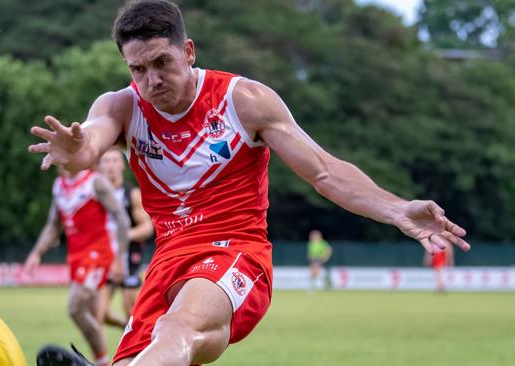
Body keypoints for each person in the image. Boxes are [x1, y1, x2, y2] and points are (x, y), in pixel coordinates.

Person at [29, 1, 471, 365]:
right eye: (138, 69)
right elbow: (90, 141)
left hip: (235, 253)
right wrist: (77, 153)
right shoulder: (121, 107)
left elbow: (323, 170)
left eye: (162, 62)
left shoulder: (244, 101)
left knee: (177, 328)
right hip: (166, 264)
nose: (152, 81)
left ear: (189, 51)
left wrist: (396, 209)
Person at [24, 167, 130, 366]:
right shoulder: (59, 187)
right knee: (94, 316)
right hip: (76, 256)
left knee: (75, 306)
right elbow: (54, 225)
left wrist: (119, 258)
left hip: (97, 254)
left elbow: (122, 218)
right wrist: (37, 253)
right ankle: (102, 362)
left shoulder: (95, 182)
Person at [99, 148, 154, 322]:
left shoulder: (132, 194)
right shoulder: (95, 195)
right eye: (106, 161)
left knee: (131, 310)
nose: (110, 166)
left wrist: (124, 235)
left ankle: (135, 340)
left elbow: (147, 228)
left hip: (129, 256)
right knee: (99, 314)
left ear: (122, 165)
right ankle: (126, 330)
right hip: (104, 256)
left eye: (115, 161)